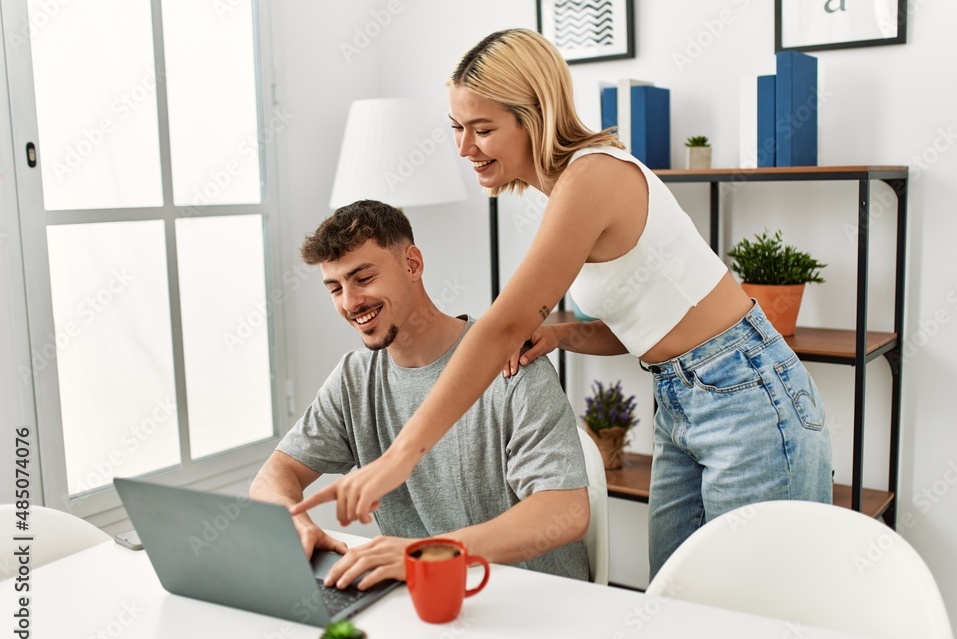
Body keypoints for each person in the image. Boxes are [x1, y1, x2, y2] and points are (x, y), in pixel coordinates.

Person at [293, 29, 833, 578]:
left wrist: (396, 459)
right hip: (682, 395)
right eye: (457, 128)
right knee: (679, 599)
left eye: (482, 129)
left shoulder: (593, 176)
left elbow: (503, 324)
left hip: (747, 396)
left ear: (534, 116)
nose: (463, 147)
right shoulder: (566, 189)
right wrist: (562, 335)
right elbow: (652, 323)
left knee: (753, 608)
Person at [251, 199, 591, 588]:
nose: (350, 303)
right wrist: (291, 519)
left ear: (412, 264)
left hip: (531, 605)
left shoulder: (513, 363)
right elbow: (273, 474)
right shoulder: (354, 379)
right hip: (421, 600)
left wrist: (428, 554)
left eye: (363, 278)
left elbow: (566, 510)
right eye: (335, 288)